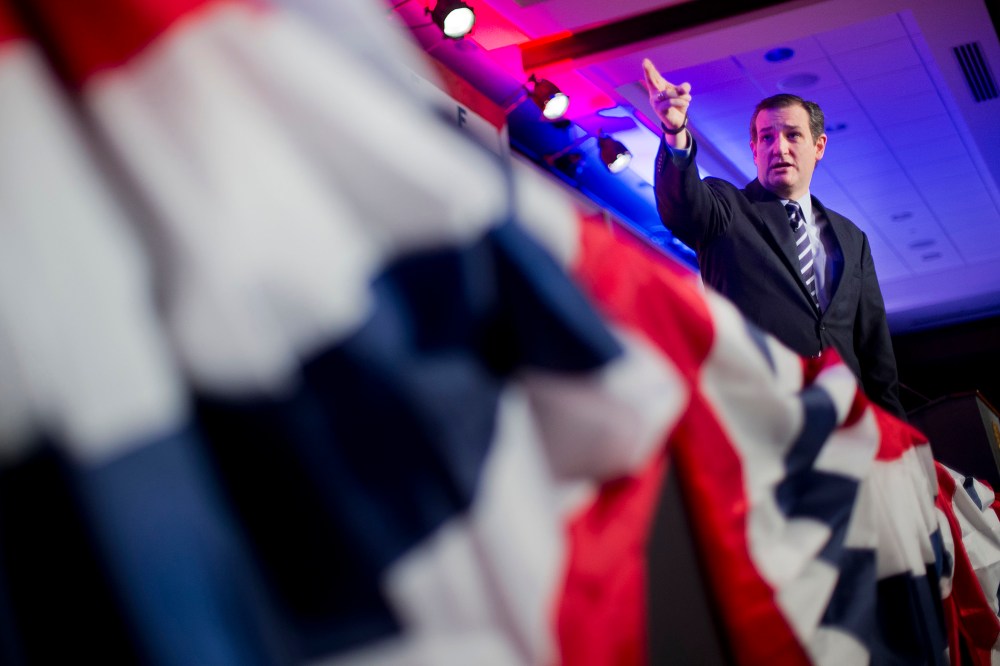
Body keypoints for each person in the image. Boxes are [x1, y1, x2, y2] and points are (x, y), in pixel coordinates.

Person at [642, 58, 906, 418]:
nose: (778, 148)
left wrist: (898, 437)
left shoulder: (851, 238)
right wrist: (675, 132)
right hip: (760, 417)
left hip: (845, 423)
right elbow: (681, 206)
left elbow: (875, 349)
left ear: (819, 146)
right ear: (754, 150)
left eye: (793, 135)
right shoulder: (727, 209)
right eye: (766, 137)